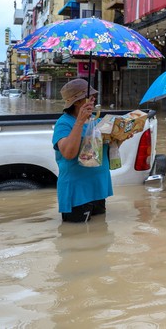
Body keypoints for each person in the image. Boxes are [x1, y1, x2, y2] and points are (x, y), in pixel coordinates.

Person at [52, 78, 112, 223]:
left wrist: (120, 138)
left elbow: (102, 153)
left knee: (99, 234)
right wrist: (79, 122)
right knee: (77, 239)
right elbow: (68, 153)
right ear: (77, 101)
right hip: (77, 189)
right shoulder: (64, 123)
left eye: (93, 96)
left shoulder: (96, 121)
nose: (93, 99)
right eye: (89, 97)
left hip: (98, 186)